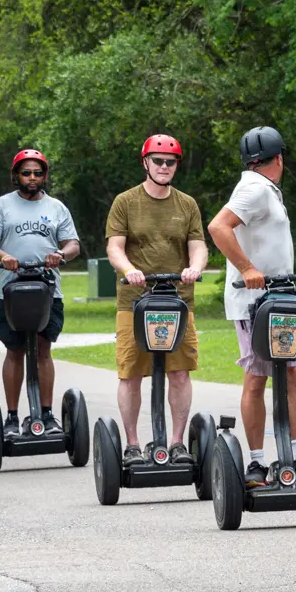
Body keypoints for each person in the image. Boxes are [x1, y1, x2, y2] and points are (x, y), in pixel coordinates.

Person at [207, 125, 296, 488]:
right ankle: (256, 463)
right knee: (257, 378)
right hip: (254, 301)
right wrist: (248, 268)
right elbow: (218, 227)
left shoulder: (263, 189)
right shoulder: (254, 188)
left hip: (281, 297)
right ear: (280, 158)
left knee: (291, 374)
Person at [105, 135, 207, 466]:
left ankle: (177, 443)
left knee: (179, 373)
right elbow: (115, 247)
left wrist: (194, 268)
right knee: (131, 372)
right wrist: (129, 269)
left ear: (177, 165)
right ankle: (133, 444)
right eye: (158, 161)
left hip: (177, 302)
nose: (164, 167)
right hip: (135, 301)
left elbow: (198, 245)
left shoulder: (187, 204)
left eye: (170, 162)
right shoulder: (125, 202)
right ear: (145, 162)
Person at [0, 149, 82, 436]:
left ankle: (47, 415)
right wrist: (3, 256)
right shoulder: (2, 205)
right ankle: (12, 418)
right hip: (10, 290)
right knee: (14, 351)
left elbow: (73, 244)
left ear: (45, 176)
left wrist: (59, 254)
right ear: (16, 176)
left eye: (38, 173)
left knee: (43, 350)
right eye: (26, 173)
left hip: (48, 289)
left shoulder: (57, 207)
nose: (32, 178)